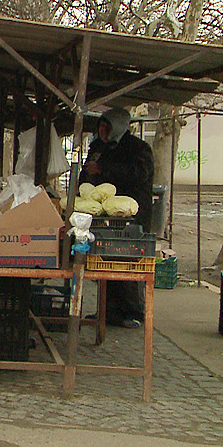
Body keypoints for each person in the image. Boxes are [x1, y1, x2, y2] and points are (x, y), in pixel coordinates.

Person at [80, 107, 154, 329]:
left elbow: (138, 174)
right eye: (101, 126)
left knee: (127, 262)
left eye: (107, 127)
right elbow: (87, 172)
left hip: (132, 216)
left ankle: (133, 311)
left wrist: (104, 169)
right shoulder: (98, 147)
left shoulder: (138, 148)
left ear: (118, 127)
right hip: (104, 216)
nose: (103, 131)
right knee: (105, 261)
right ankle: (108, 311)